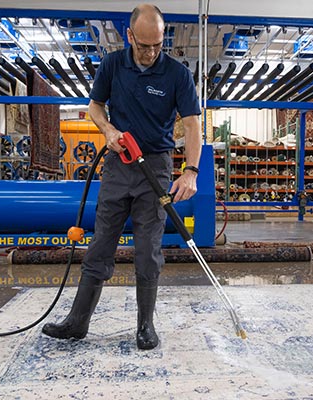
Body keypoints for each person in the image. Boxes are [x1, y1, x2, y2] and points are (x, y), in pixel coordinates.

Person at [42, 3, 202, 350]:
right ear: (129, 36)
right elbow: (95, 107)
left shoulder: (177, 74)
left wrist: (191, 171)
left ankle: (145, 326)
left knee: (148, 250)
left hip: (155, 168)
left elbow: (192, 123)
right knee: (100, 245)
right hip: (118, 165)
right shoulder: (113, 65)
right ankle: (77, 322)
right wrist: (107, 129)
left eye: (157, 45)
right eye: (143, 45)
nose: (150, 52)